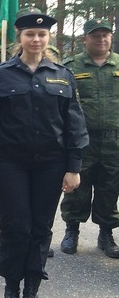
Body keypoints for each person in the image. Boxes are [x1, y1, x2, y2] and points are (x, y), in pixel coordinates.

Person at [0, 9, 88, 298]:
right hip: (10, 163)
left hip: (51, 164)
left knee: (40, 229)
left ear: (48, 38)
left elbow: (74, 123)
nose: (36, 39)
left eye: (42, 34)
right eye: (30, 34)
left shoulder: (62, 75)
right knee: (15, 227)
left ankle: (31, 292)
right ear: (21, 37)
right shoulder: (1, 74)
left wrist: (73, 166)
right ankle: (11, 289)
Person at [59, 18, 119, 258]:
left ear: (111, 37)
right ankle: (71, 230)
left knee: (110, 187)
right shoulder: (71, 67)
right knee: (76, 187)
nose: (101, 39)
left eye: (105, 35)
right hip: (82, 141)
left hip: (114, 141)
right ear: (85, 39)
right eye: (95, 35)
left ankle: (106, 234)